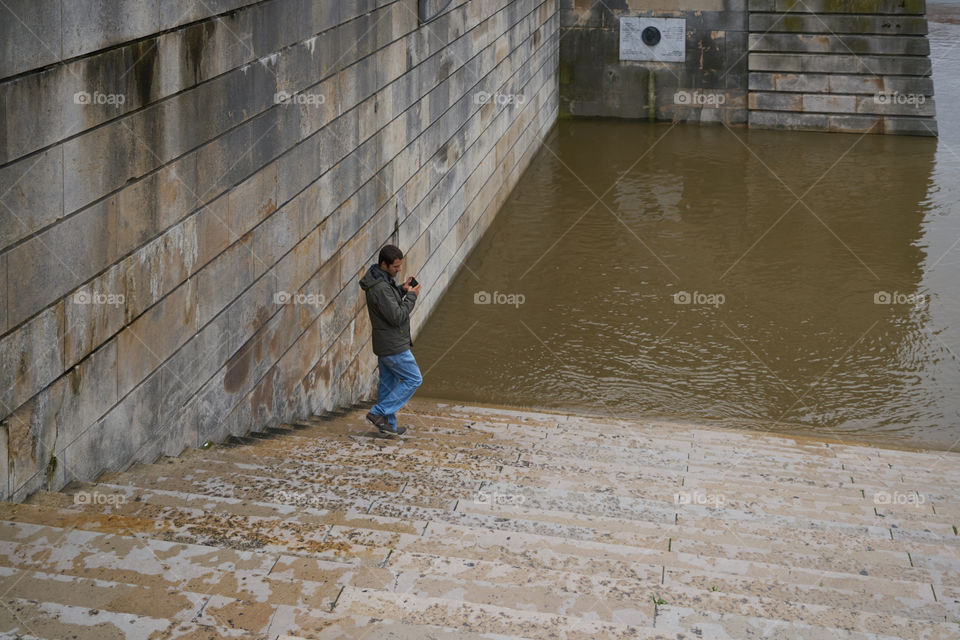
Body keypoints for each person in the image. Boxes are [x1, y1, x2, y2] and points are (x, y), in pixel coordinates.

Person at [358, 244, 423, 435]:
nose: (399, 269)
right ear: (384, 264)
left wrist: (402, 289)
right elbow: (397, 316)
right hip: (394, 345)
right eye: (395, 267)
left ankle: (388, 428)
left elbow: (387, 302)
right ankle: (378, 413)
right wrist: (411, 296)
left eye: (400, 266)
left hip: (385, 344)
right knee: (414, 379)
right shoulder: (380, 288)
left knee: (388, 385)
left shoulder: (381, 280)